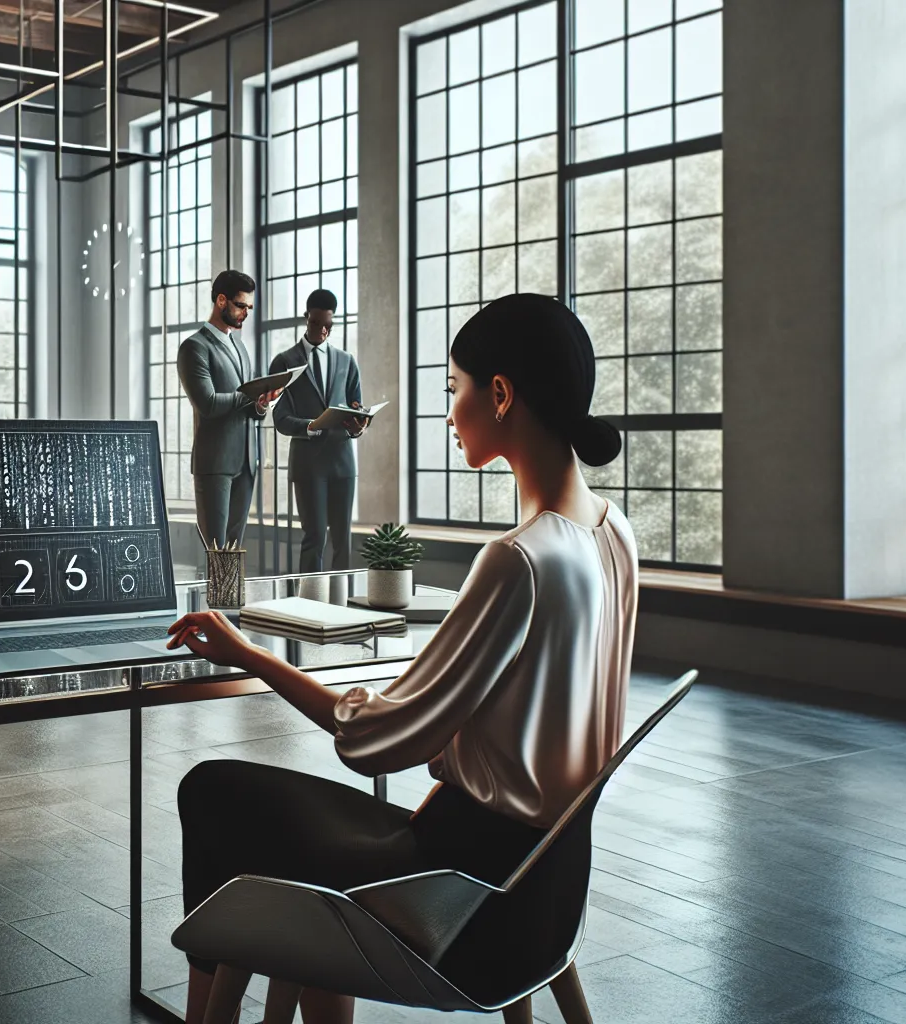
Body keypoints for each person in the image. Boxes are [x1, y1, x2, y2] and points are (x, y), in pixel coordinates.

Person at [165, 293, 634, 1024]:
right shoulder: (613, 535)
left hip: (455, 886)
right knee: (290, 834)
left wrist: (248, 653)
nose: (449, 415)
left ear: (501, 395)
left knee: (213, 791)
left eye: (455, 392)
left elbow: (375, 742)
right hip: (543, 884)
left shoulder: (520, 559)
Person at [178, 270, 280, 547]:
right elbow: (208, 404)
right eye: (240, 305)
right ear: (221, 300)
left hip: (247, 461)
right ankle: (217, 594)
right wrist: (250, 396)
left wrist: (262, 403)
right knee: (216, 550)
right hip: (215, 463)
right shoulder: (194, 348)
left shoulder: (239, 346)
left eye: (249, 307)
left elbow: (250, 408)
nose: (245, 313)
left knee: (235, 550)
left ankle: (233, 594)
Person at [270, 289, 365, 572]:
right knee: (314, 538)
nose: (323, 331)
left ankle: (341, 608)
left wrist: (358, 425)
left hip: (343, 462)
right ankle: (309, 605)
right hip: (308, 465)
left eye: (329, 326)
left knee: (342, 540)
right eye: (316, 324)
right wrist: (309, 426)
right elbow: (281, 418)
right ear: (305, 318)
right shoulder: (284, 362)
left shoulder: (347, 361)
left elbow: (356, 409)